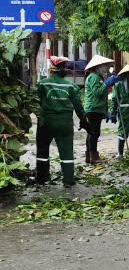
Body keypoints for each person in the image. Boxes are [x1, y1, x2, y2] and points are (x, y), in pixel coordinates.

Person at [35, 57, 89, 186]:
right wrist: (84, 121)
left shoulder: (42, 84)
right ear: (62, 70)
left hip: (45, 122)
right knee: (66, 151)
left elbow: (34, 101)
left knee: (42, 150)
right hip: (65, 123)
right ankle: (68, 180)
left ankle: (42, 178)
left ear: (52, 70)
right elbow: (78, 106)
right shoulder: (71, 86)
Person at [82, 54, 113, 164]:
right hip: (93, 109)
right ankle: (93, 156)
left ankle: (89, 156)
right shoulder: (94, 77)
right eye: (104, 66)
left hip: (96, 108)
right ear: (98, 66)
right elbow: (97, 92)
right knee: (94, 133)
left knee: (92, 133)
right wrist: (106, 84)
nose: (106, 68)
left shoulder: (96, 77)